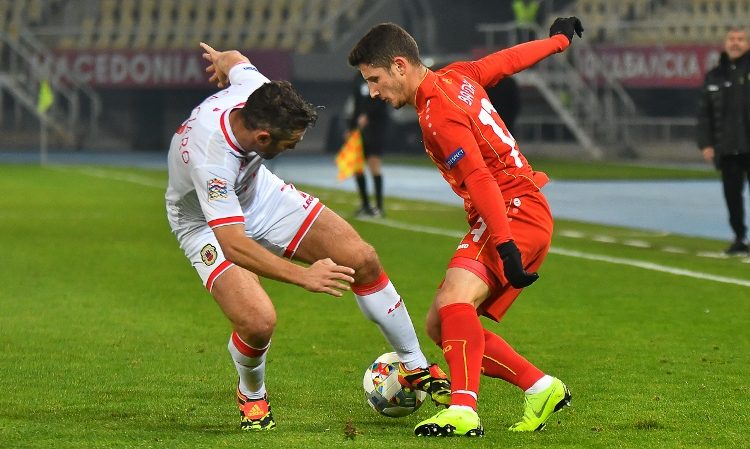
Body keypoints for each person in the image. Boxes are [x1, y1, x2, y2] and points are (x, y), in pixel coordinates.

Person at [165, 42, 451, 431]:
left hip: (260, 195)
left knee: (362, 259)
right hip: (204, 223)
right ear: (262, 138)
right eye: (290, 143)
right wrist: (304, 276)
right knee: (258, 321)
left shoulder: (256, 90)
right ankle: (251, 393)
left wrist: (220, 60)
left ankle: (414, 365)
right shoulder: (211, 159)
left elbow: (236, 60)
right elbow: (233, 243)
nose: (296, 146)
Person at [348, 17, 583, 436]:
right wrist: (558, 41)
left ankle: (463, 409)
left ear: (400, 65)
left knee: (456, 299)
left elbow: (479, 177)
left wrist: (506, 246)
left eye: (375, 79)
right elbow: (507, 61)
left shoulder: (437, 113)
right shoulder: (456, 76)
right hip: (516, 206)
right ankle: (540, 387)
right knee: (442, 324)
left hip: (511, 209)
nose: (373, 92)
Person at [697, 27, 750, 256]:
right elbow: (704, 113)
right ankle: (739, 238)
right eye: (731, 39)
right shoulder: (715, 75)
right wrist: (706, 143)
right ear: (725, 43)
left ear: (748, 44)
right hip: (727, 147)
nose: (735, 43)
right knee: (732, 197)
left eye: (740, 39)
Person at [349, 72, 390, 218]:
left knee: (374, 165)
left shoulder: (377, 75)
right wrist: (351, 127)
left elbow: (382, 99)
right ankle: (365, 205)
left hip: (375, 128)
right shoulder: (357, 78)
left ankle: (379, 206)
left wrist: (368, 115)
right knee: (357, 167)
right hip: (359, 130)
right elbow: (356, 104)